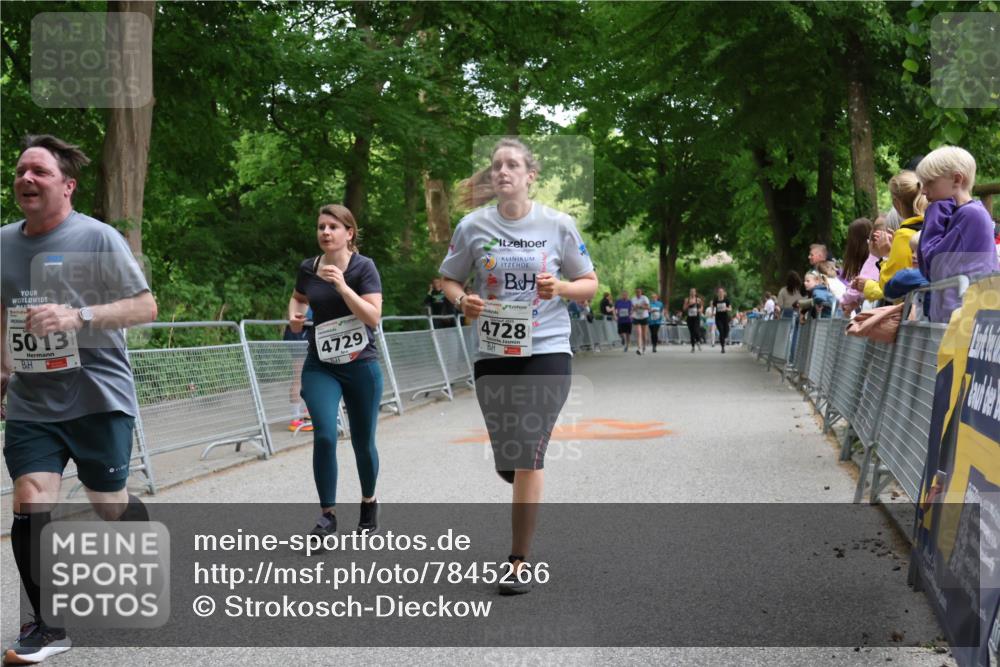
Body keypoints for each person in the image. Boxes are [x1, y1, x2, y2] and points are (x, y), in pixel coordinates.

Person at [2, 135, 158, 664]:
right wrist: (2, 370)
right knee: (30, 499)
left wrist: (78, 317)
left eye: (39, 172)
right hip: (32, 401)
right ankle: (48, 626)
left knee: (107, 503)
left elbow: (145, 308)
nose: (26, 178)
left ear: (66, 185)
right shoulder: (2, 242)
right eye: (21, 170)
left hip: (97, 394)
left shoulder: (97, 238)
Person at [437, 137, 598, 595]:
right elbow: (449, 278)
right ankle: (514, 464)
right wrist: (462, 300)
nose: (501, 172)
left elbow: (590, 283)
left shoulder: (557, 224)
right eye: (495, 167)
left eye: (512, 165)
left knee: (528, 451)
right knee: (512, 456)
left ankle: (518, 561)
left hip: (547, 348)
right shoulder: (472, 226)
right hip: (493, 352)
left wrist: (561, 290)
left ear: (530, 176)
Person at [288, 204, 384, 540]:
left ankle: (368, 502)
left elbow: (373, 317)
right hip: (322, 365)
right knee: (325, 434)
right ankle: (327, 516)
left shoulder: (363, 268)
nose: (325, 233)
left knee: (362, 442)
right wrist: (295, 317)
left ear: (349, 233)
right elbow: (298, 298)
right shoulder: (308, 268)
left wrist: (343, 287)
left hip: (361, 365)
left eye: (333, 227)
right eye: (320, 227)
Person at [916, 146, 999, 322]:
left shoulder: (969, 215)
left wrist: (934, 213)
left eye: (929, 182)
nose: (923, 191)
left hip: (964, 321)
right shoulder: (965, 213)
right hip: (960, 317)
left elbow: (933, 265)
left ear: (956, 179)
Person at [839, 218, 879, 316]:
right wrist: (856, 302)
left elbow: (860, 285)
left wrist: (843, 300)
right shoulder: (875, 258)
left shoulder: (872, 260)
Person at [285, 307, 314, 432]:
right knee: (298, 378)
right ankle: (295, 418)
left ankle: (308, 413)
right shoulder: (305, 293)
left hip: (304, 336)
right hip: (301, 337)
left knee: (312, 378)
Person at [630, 287, 650, 355]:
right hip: (636, 317)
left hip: (644, 317)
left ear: (641, 292)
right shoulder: (633, 299)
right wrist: (634, 308)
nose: (637, 293)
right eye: (636, 292)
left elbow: (648, 308)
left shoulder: (645, 298)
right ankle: (639, 348)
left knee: (644, 334)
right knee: (639, 333)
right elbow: (632, 308)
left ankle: (644, 347)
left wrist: (640, 306)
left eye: (639, 292)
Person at [712, 287, 732, 354]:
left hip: (725, 318)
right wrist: (712, 312)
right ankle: (722, 347)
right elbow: (713, 306)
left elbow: (730, 309)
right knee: (721, 331)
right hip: (718, 318)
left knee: (726, 331)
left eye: (721, 292)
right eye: (719, 292)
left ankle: (724, 338)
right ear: (717, 293)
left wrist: (726, 308)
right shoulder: (716, 300)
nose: (720, 293)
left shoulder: (726, 300)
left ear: (724, 293)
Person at [683, 288, 703, 352]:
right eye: (691, 292)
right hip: (690, 318)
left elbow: (702, 307)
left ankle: (698, 341)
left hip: (696, 317)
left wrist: (700, 310)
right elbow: (684, 308)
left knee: (696, 330)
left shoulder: (698, 299)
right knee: (691, 332)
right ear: (689, 293)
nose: (692, 293)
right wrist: (689, 304)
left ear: (695, 293)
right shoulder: (687, 299)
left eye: (693, 292)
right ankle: (693, 347)